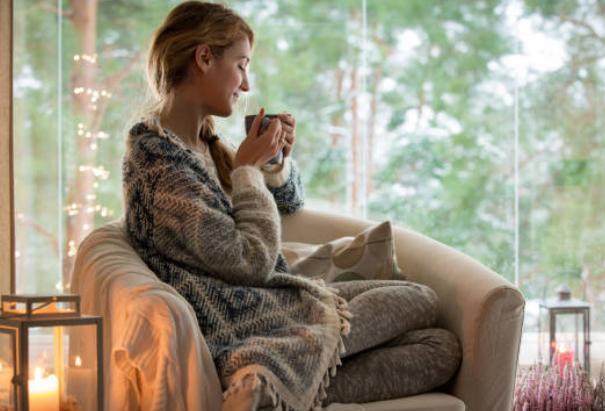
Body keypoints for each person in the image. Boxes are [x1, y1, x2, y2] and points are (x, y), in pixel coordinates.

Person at [122, 1, 461, 409]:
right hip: (239, 322)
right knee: (419, 300)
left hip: (273, 307)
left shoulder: (203, 146)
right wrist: (247, 170)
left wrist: (274, 165)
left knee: (439, 346)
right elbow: (250, 262)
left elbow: (288, 203)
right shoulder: (158, 161)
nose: (246, 84)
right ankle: (260, 367)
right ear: (205, 58)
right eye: (242, 65)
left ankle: (270, 384)